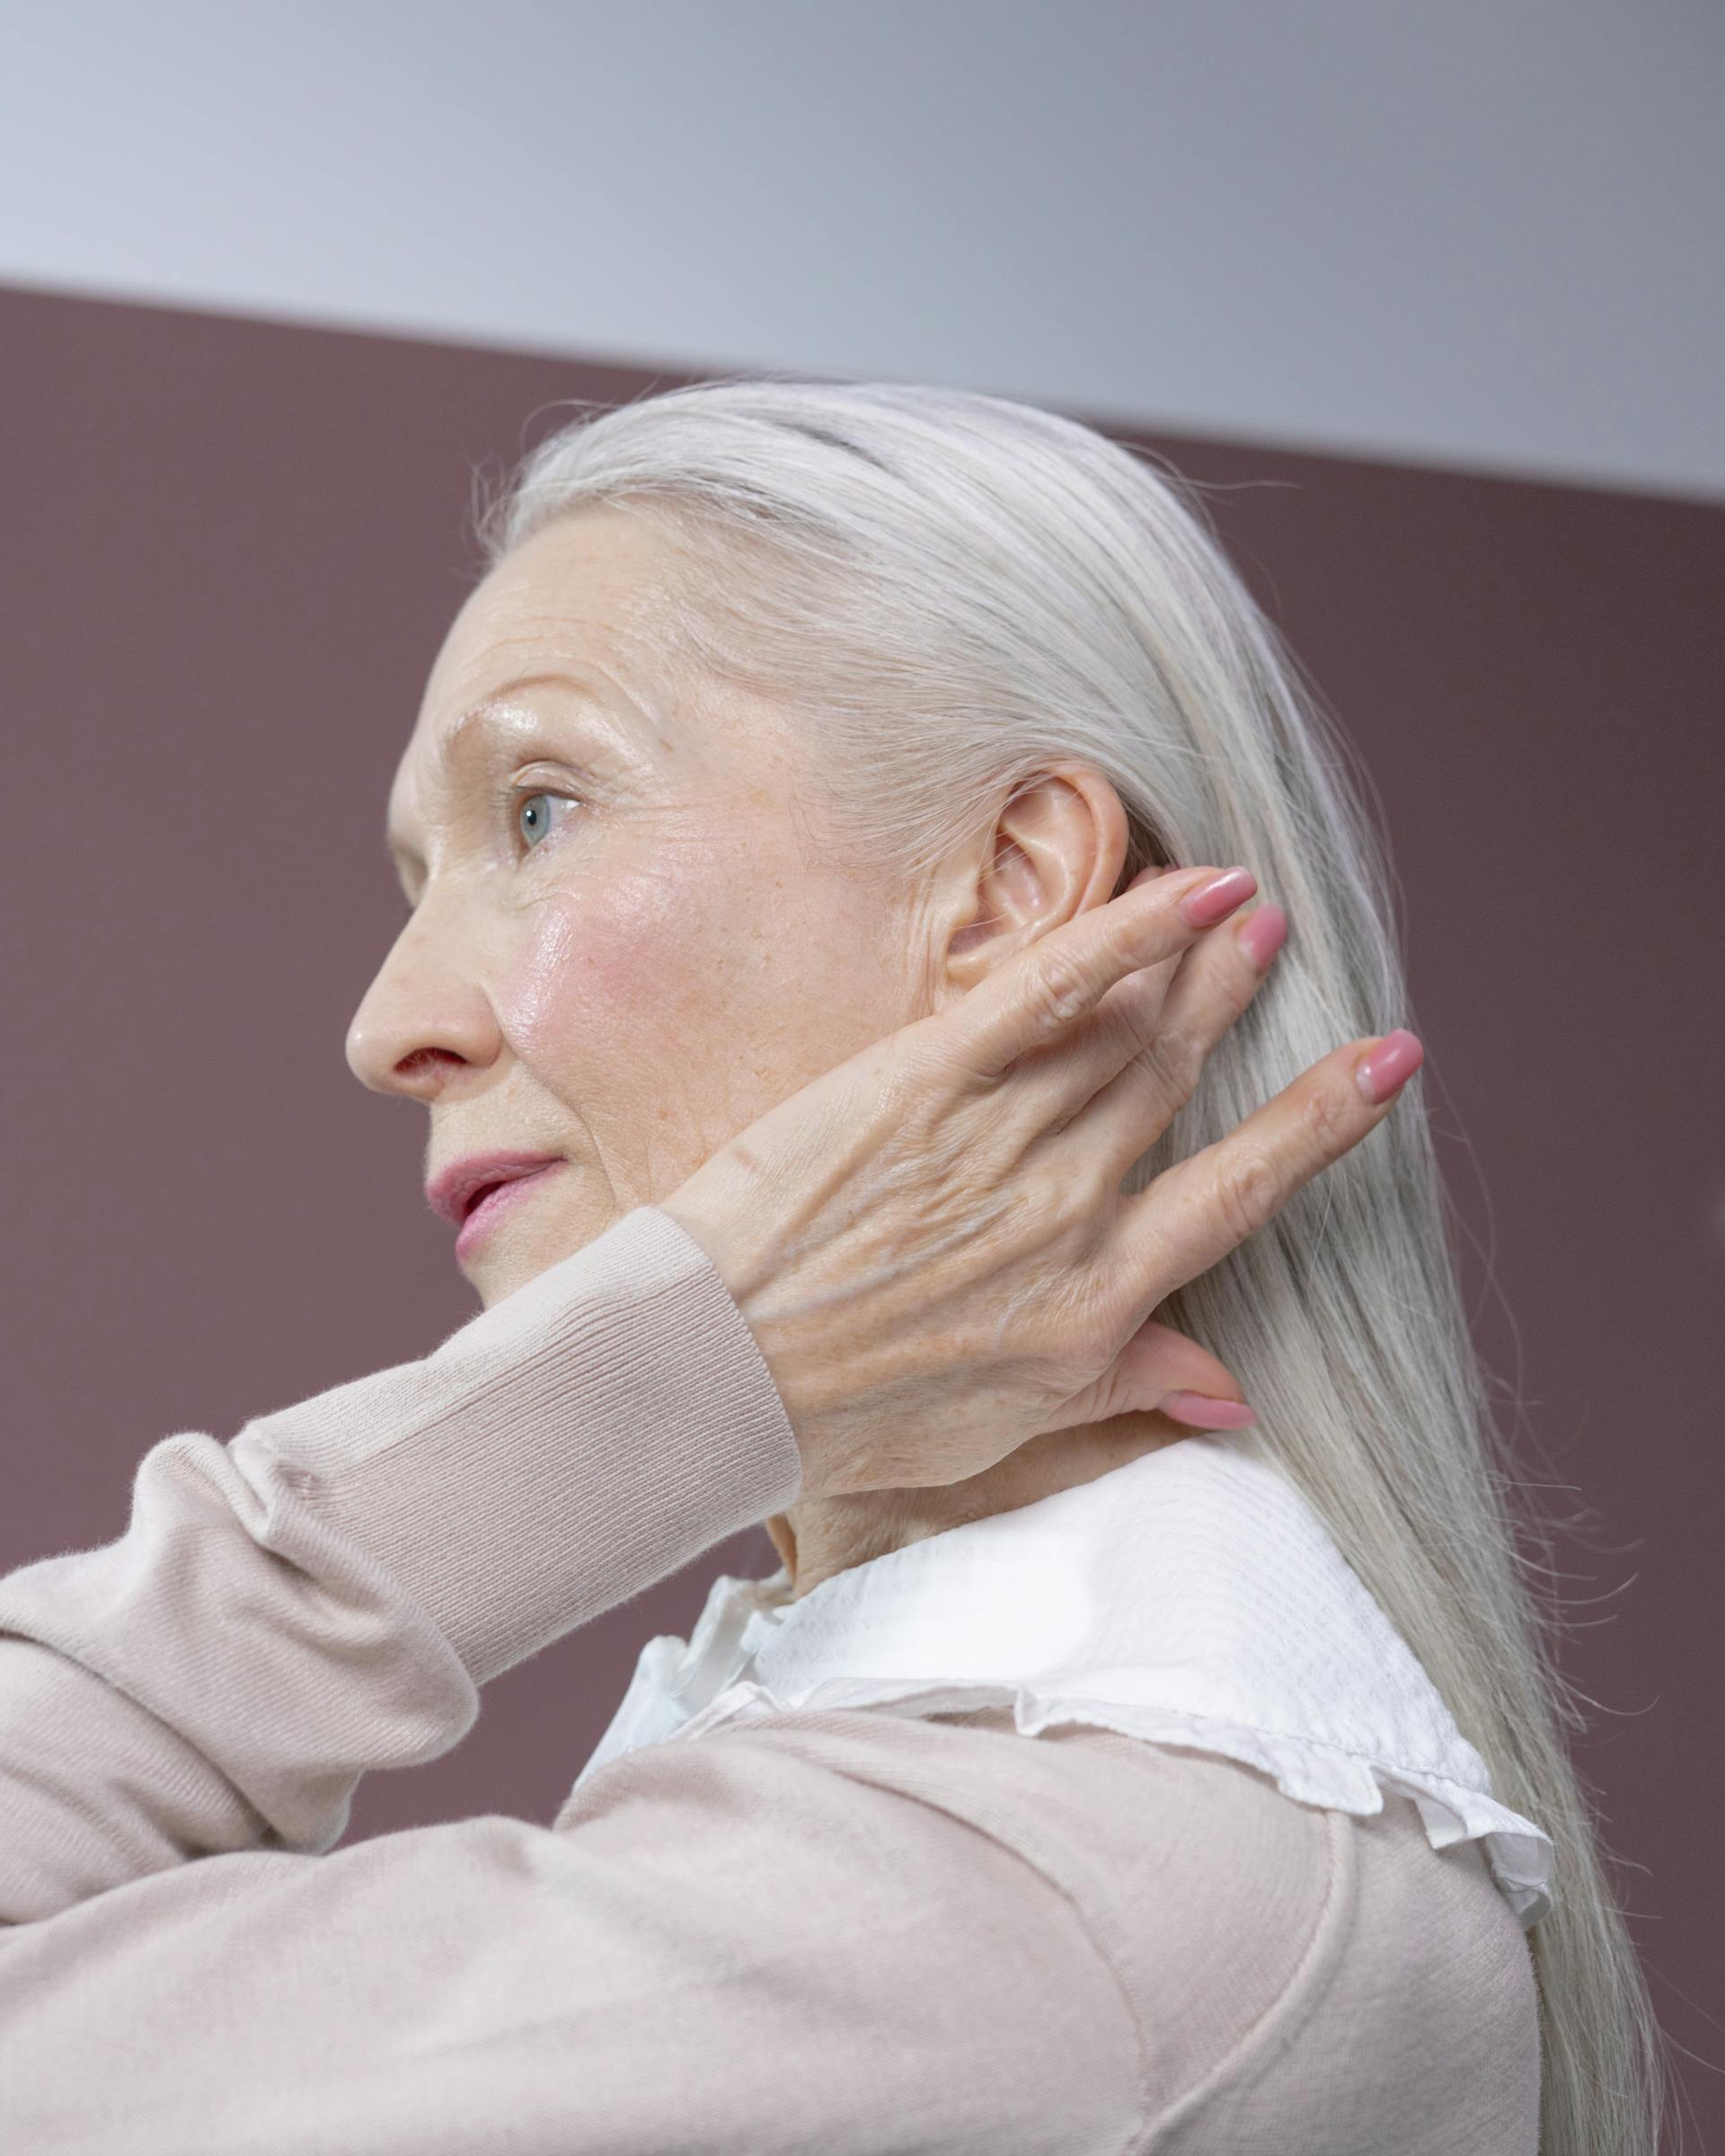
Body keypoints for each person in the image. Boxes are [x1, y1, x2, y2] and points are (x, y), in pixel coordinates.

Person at [0, 378, 1664, 2152]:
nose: (391, 1024)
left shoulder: (1073, 1912)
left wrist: (655, 1388)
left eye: (543, 811)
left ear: (1017, 887)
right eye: (420, 876)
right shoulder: (1058, 1849)